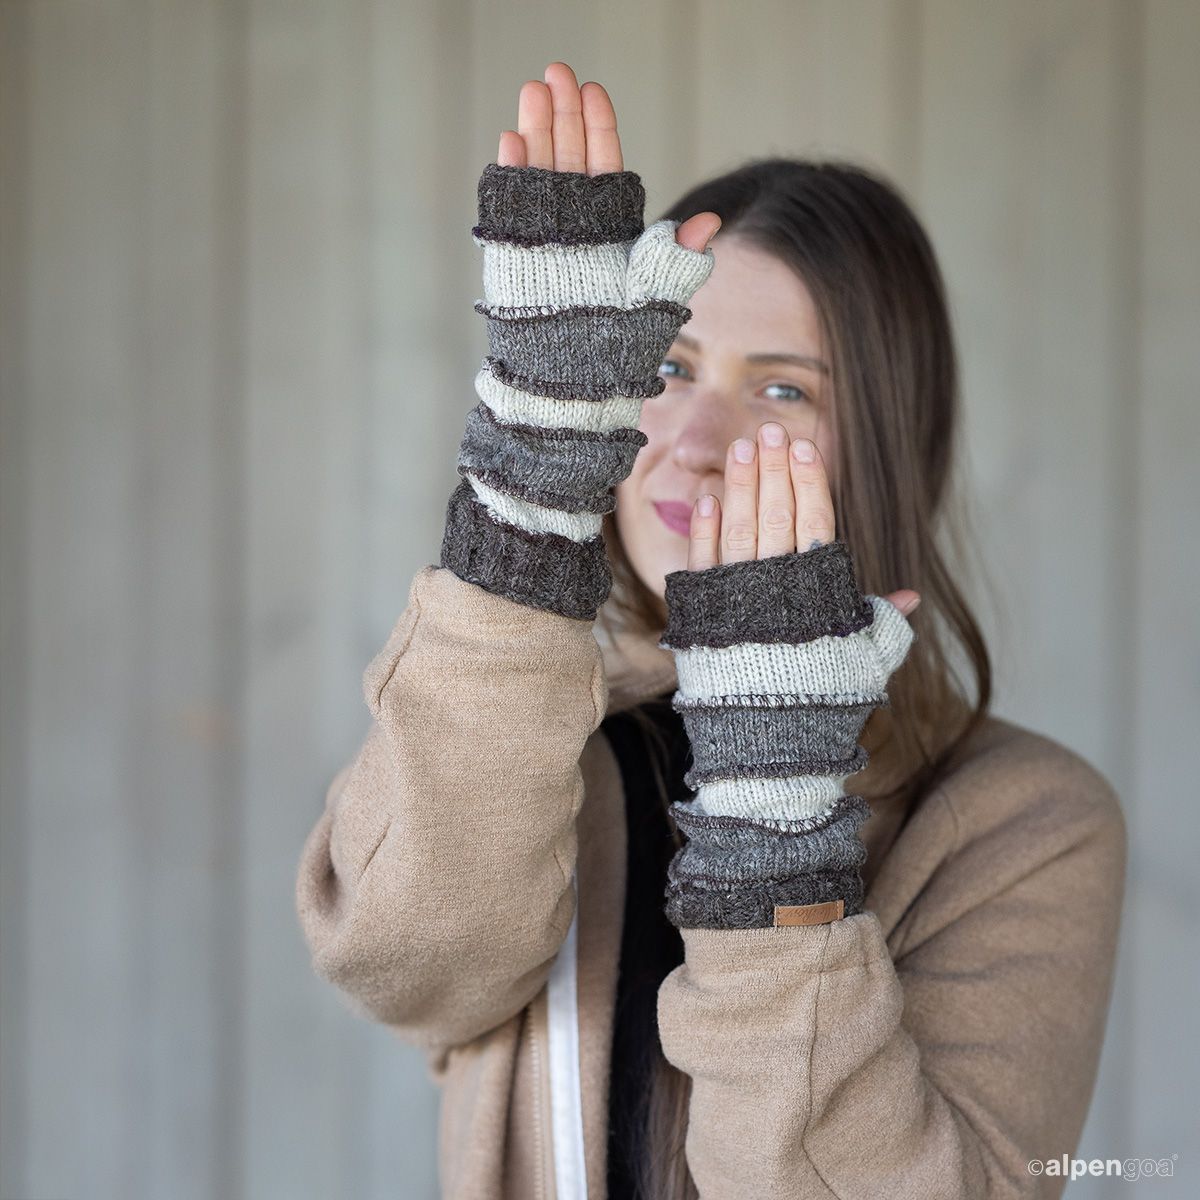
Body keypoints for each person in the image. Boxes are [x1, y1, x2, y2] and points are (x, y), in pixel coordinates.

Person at [295, 61, 1126, 1200]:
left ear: (884, 446)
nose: (689, 437)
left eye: (782, 392)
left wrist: (775, 802)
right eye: (668, 366)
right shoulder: (536, 739)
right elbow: (407, 967)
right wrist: (528, 501)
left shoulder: (1028, 822)